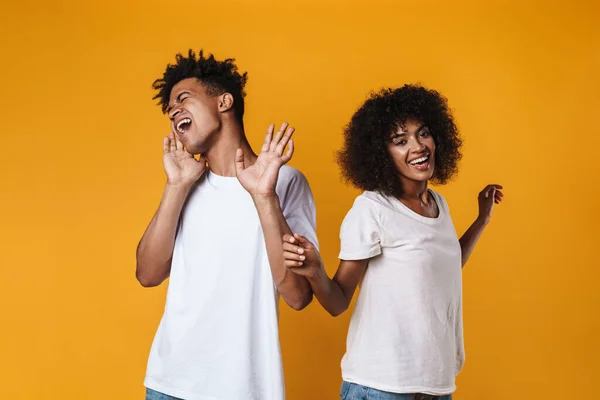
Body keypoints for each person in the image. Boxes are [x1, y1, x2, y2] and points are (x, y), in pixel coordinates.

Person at [282, 85, 503, 400]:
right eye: (400, 141)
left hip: (435, 386)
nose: (417, 147)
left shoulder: (437, 203)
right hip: (382, 387)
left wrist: (482, 220)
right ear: (381, 154)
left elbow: (445, 264)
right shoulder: (372, 209)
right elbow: (338, 301)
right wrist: (316, 269)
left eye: (423, 134)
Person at [136, 49, 318, 400]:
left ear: (224, 101)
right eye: (169, 108)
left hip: (246, 389)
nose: (173, 111)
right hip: (169, 385)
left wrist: (265, 197)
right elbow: (147, 274)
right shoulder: (185, 184)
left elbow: (298, 295)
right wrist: (176, 186)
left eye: (183, 99)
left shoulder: (286, 182)